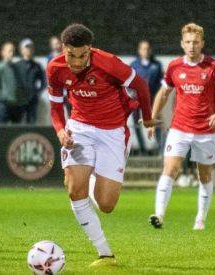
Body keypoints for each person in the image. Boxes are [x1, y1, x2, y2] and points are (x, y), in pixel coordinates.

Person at [47, 24, 153, 267]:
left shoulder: (109, 63)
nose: (76, 61)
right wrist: (61, 131)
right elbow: (55, 106)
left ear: (90, 49)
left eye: (83, 55)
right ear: (63, 49)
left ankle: (92, 175)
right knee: (74, 189)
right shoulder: (54, 68)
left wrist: (146, 118)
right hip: (80, 127)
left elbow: (142, 86)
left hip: (112, 132)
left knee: (106, 204)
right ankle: (105, 253)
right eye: (71, 55)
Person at [148, 23, 215, 230]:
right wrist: (151, 118)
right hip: (180, 128)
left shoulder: (214, 66)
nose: (192, 46)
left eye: (196, 42)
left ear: (202, 44)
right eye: (188, 42)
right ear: (182, 44)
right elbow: (164, 93)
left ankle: (200, 218)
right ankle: (159, 215)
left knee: (205, 175)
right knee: (170, 169)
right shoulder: (174, 66)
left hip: (205, 131)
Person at [131, 40, 163, 154]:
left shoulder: (157, 65)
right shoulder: (134, 65)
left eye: (148, 48)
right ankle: (142, 148)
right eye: (143, 48)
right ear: (139, 50)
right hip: (137, 99)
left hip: (152, 99)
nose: (146, 51)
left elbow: (161, 83)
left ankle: (160, 148)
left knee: (155, 122)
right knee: (136, 124)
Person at [13, 38, 46, 124]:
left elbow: (44, 81)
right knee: (18, 122)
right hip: (19, 100)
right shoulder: (16, 66)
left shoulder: (37, 66)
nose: (29, 50)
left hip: (32, 99)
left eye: (31, 47)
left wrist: (37, 92)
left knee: (31, 122)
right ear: (21, 50)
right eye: (26, 47)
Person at [0, 42, 18, 123]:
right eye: (9, 51)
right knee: (1, 131)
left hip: (15, 104)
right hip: (2, 105)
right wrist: (3, 96)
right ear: (3, 53)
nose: (12, 53)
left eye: (13, 51)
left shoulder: (16, 67)